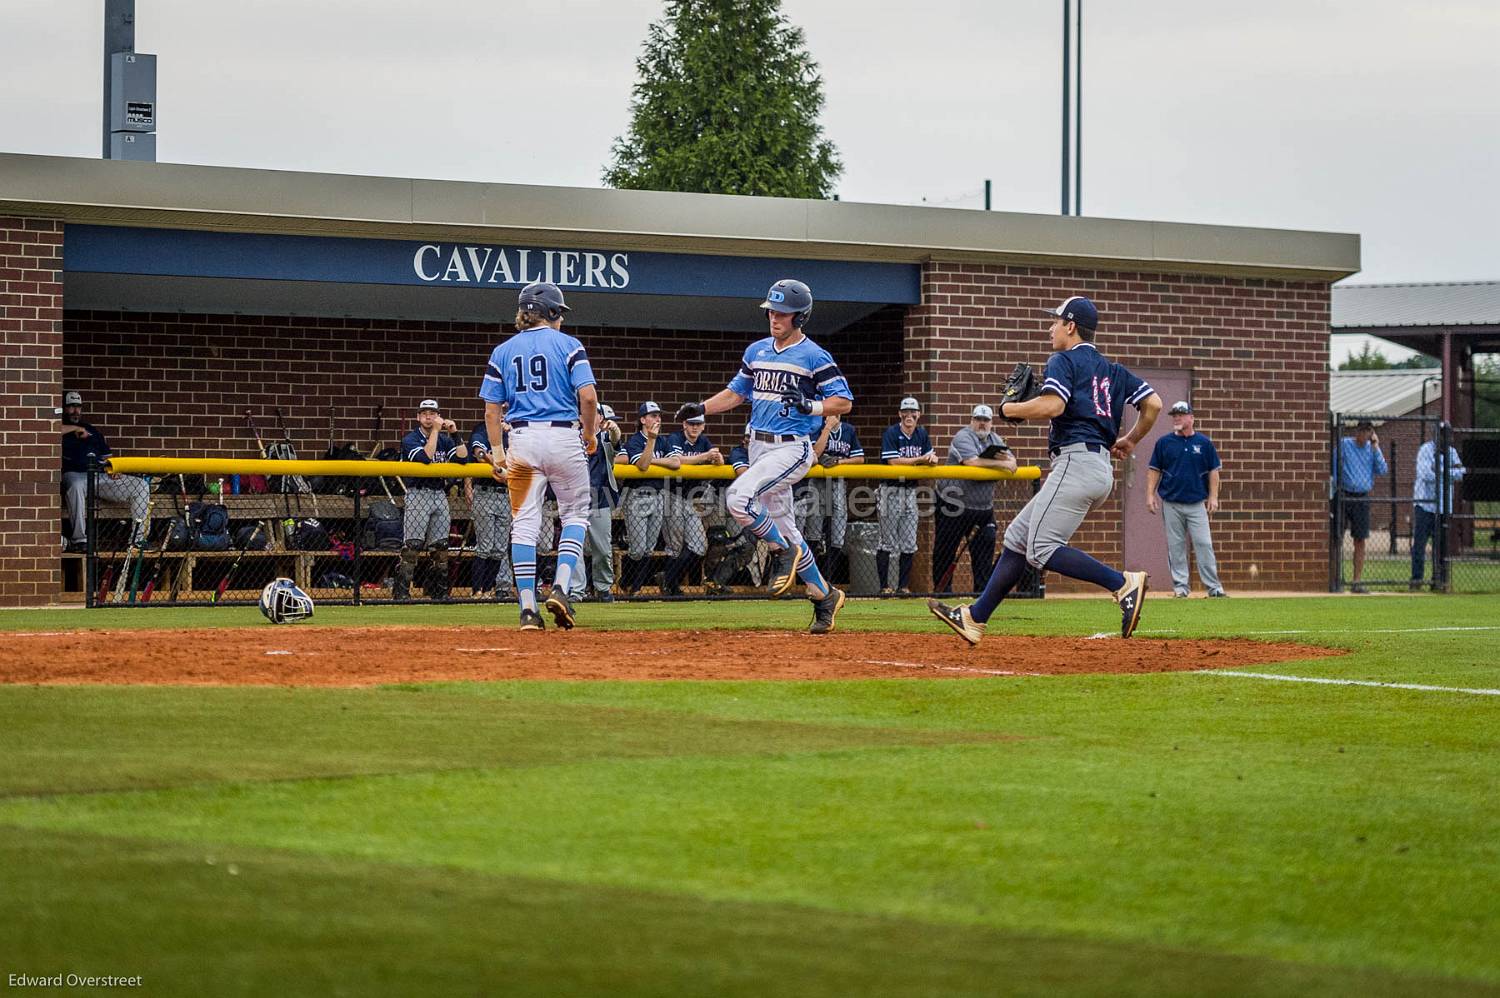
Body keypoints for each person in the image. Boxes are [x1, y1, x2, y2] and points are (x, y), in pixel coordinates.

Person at [929, 296, 1159, 643]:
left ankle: (1122, 583)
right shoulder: (1114, 370)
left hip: (1075, 463)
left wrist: (1009, 409)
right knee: (1018, 540)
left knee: (1041, 549)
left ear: (1070, 326)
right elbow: (1153, 404)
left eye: (1055, 321)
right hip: (1098, 469)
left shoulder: (1062, 360)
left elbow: (1054, 404)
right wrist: (1129, 440)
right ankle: (974, 618)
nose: (1050, 327)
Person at [674, 278, 854, 634]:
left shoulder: (815, 355)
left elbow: (844, 401)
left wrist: (812, 405)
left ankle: (779, 552)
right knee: (787, 526)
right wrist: (701, 408)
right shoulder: (757, 350)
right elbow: (736, 393)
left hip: (792, 446)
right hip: (759, 445)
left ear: (799, 318)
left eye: (783, 313)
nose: (774, 317)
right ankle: (824, 595)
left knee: (739, 498)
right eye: (771, 310)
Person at [478, 281, 598, 631]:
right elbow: (588, 398)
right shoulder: (569, 345)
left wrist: (498, 454)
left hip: (522, 439)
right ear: (552, 312)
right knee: (575, 514)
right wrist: (589, 435)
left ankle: (528, 610)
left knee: (525, 525)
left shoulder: (502, 351)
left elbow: (491, 411)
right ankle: (561, 587)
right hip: (562, 435)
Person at [932, 404, 1016, 594]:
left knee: (984, 554)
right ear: (972, 421)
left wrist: (1002, 463)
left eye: (986, 420)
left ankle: (981, 596)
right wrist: (999, 464)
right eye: (978, 419)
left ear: (991, 423)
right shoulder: (963, 437)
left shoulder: (996, 440)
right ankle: (943, 594)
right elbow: (972, 462)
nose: (982, 424)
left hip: (983, 510)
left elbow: (1013, 463)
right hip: (953, 506)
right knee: (945, 553)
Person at [1146, 401, 1226, 598]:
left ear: (1191, 418)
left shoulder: (1204, 443)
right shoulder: (1164, 443)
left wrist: (1213, 497)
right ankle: (1181, 588)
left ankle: (1214, 588)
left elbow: (1213, 471)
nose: (1177, 418)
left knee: (1204, 544)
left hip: (1197, 503)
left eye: (1181, 415)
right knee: (1176, 547)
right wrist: (1150, 495)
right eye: (1174, 415)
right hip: (1171, 503)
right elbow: (1154, 470)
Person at [396, 399, 469, 600]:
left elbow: (463, 459)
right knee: (412, 545)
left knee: (440, 547)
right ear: (418, 417)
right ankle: (401, 592)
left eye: (433, 413)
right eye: (425, 413)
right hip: (418, 493)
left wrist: (454, 433)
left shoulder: (445, 440)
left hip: (439, 493)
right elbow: (425, 458)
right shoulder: (410, 439)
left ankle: (438, 592)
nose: (429, 416)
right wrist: (436, 431)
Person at [59, 390, 150, 552]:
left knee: (141, 485)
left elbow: (108, 456)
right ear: (64, 408)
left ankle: (137, 540)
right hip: (76, 475)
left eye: (78, 407)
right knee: (76, 486)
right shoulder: (60, 428)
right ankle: (80, 540)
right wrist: (74, 429)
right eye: (71, 406)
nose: (75, 410)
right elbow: (47, 430)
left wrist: (113, 468)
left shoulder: (92, 430)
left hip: (100, 477)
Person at [615, 401, 679, 595]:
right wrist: (651, 442)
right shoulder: (634, 441)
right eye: (652, 415)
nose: (657, 418)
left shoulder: (664, 440)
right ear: (642, 420)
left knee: (649, 549)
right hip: (637, 496)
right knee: (637, 549)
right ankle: (626, 581)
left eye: (658, 415)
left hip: (658, 495)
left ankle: (634, 588)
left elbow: (675, 463)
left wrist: (654, 460)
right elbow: (642, 465)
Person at [878, 397, 937, 594]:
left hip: (910, 491)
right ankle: (884, 587)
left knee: (909, 541)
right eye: (906, 412)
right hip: (890, 490)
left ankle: (903, 587)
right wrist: (920, 459)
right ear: (900, 414)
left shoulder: (921, 434)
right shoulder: (892, 432)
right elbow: (893, 462)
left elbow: (931, 456)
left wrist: (930, 459)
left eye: (913, 412)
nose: (909, 415)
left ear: (919, 414)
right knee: (887, 540)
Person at [661, 412, 722, 595]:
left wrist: (717, 458)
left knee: (699, 546)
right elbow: (677, 461)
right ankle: (669, 586)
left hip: (692, 499)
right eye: (691, 423)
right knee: (676, 546)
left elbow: (719, 462)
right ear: (684, 424)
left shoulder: (704, 441)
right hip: (673, 495)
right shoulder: (675, 438)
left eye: (698, 424)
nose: (695, 427)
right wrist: (705, 456)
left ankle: (667, 578)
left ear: (703, 426)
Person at [571, 403, 623, 602]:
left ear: (600, 418)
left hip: (600, 499)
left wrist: (615, 431)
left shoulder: (604, 437)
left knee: (602, 550)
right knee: (574, 547)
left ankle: (603, 587)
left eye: (596, 414)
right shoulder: (571, 438)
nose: (592, 416)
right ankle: (576, 591)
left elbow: (615, 442)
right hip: (575, 501)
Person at [465, 411, 514, 600]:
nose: (501, 416)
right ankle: (477, 590)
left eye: (505, 413)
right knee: (484, 545)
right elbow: (479, 453)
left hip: (505, 495)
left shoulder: (514, 436)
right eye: (499, 412)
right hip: (485, 493)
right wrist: (500, 466)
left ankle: (487, 590)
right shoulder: (482, 431)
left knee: (499, 548)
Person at [1336, 420, 1388, 593]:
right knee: (1337, 537)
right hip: (1344, 494)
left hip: (1362, 497)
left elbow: (1382, 469)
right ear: (1357, 431)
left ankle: (1356, 582)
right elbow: (1334, 466)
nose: (1364, 435)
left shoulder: (1372, 449)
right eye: (1362, 431)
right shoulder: (1344, 445)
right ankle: (1335, 579)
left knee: (1360, 540)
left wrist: (1376, 447)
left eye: (1368, 431)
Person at [1410, 435, 1466, 590]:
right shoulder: (1425, 450)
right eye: (1442, 435)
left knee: (1441, 546)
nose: (1445, 439)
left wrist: (1439, 470)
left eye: (1447, 435)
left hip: (1443, 507)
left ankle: (1439, 581)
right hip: (1425, 505)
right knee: (1419, 545)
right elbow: (1425, 475)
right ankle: (1416, 580)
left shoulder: (1452, 452)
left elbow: (1462, 473)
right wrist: (1449, 472)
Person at [815, 413, 863, 583]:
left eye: (836, 411)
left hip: (839, 484)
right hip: (817, 484)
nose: (833, 414)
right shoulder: (817, 425)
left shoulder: (848, 430)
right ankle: (811, 579)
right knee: (814, 533)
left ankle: (828, 579)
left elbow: (859, 459)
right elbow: (814, 453)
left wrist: (839, 462)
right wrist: (827, 428)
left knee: (836, 536)